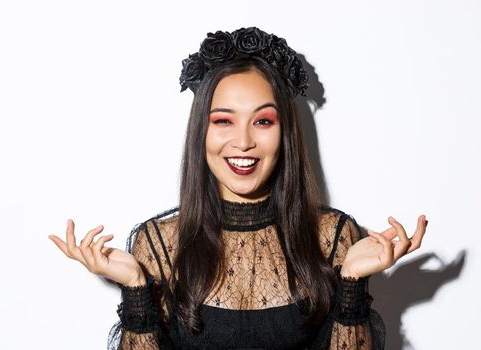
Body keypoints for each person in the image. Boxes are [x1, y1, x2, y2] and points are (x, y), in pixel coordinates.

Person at [48, 27, 428, 349]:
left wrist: (352, 285)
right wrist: (135, 288)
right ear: (202, 132)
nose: (243, 142)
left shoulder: (332, 236)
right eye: (223, 121)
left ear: (285, 134)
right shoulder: (160, 244)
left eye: (262, 122)